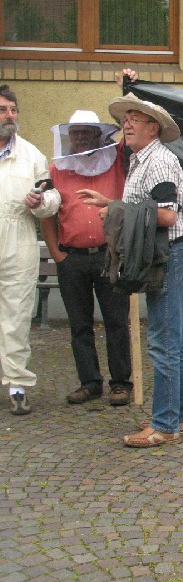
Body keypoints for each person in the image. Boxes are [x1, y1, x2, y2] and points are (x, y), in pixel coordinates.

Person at [79, 82, 183, 447]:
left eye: (135, 119)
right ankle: (179, 417)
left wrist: (115, 209)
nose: (127, 124)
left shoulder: (159, 160)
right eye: (125, 119)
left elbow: (165, 215)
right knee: (173, 339)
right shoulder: (143, 159)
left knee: (164, 341)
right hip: (167, 253)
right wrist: (111, 199)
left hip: (169, 253)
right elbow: (145, 206)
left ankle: (164, 426)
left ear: (153, 127)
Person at [40, 111, 132, 406]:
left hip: (109, 255)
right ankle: (90, 382)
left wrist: (128, 88)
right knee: (79, 325)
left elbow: (129, 130)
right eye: (75, 133)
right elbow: (47, 215)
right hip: (73, 259)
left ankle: (121, 383)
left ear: (98, 135)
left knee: (117, 321)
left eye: (85, 133)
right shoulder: (58, 170)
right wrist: (57, 254)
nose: (79, 138)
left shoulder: (116, 160)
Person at [0, 84, 60, 415]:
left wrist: (39, 201)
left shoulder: (32, 155)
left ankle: (17, 385)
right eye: (3, 110)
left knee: (17, 316)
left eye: (13, 110)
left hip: (18, 240)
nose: (10, 116)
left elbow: (52, 198)